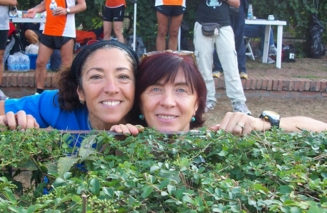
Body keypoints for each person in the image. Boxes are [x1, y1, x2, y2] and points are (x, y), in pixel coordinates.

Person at [110, 51, 327, 135]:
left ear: (197, 103)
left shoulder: (218, 141)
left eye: (181, 90)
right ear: (140, 101)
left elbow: (322, 130)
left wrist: (263, 124)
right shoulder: (122, 143)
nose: (168, 102)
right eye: (156, 89)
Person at [0, 41, 139, 131]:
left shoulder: (150, 115)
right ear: (80, 91)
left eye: (123, 76)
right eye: (96, 76)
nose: (111, 88)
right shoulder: (59, 104)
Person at [187, 0, 251, 115]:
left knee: (231, 64)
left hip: (224, 25)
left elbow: (237, 3)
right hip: (202, 24)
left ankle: (238, 102)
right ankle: (207, 99)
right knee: (204, 65)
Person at [26, 0, 87, 95]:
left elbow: (83, 5)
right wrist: (35, 10)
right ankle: (38, 93)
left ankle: (66, 94)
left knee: (66, 65)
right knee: (40, 62)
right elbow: (45, 3)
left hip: (65, 30)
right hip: (48, 29)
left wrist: (66, 10)